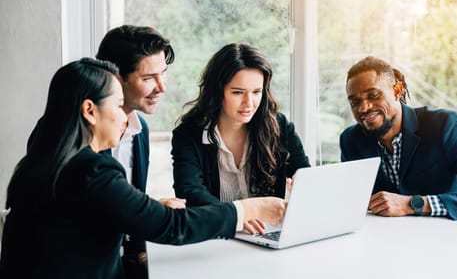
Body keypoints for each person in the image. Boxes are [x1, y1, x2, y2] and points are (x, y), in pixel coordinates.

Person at [0, 58, 286, 278]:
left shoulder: (43, 163)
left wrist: (145, 208)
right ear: (90, 110)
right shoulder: (92, 170)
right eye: (119, 104)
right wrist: (247, 210)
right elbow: (169, 227)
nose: (125, 116)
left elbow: (87, 223)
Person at [339, 56, 457, 220]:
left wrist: (413, 204)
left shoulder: (445, 126)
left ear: (397, 91)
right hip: (384, 242)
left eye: (373, 95)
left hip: (446, 240)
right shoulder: (350, 141)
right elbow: (352, 202)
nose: (363, 108)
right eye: (354, 102)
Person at [172, 43, 310, 234]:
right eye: (237, 92)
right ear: (218, 91)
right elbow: (190, 193)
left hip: (267, 233)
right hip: (217, 235)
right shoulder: (188, 135)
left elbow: (305, 174)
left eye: (256, 92)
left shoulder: (280, 126)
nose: (249, 103)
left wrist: (301, 184)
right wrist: (240, 215)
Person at [96, 25, 182, 277]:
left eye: (163, 74)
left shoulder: (139, 129)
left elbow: (121, 205)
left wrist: (149, 210)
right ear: (115, 78)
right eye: (148, 78)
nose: (162, 87)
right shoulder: (75, 131)